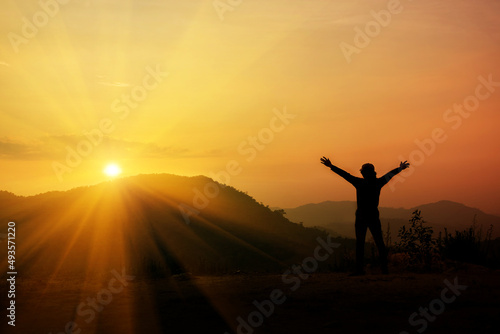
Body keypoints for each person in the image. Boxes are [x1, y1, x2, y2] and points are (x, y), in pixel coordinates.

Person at [320, 156, 410, 275]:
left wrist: (331, 166)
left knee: (360, 243)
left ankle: (359, 270)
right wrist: (400, 168)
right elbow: (390, 175)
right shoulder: (378, 182)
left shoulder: (360, 182)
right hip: (373, 215)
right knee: (379, 242)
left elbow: (345, 175)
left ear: (363, 172)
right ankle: (384, 269)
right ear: (373, 172)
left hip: (361, 216)